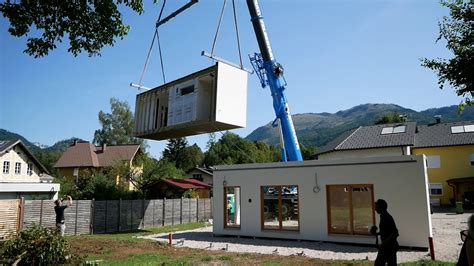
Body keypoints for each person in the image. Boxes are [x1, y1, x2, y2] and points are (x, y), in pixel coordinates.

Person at [370, 199, 399, 266]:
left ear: (381, 207)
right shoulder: (383, 216)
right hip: (388, 246)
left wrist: (384, 243)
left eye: (376, 207)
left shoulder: (387, 217)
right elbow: (387, 231)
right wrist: (376, 233)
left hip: (389, 247)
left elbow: (395, 233)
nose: (375, 209)